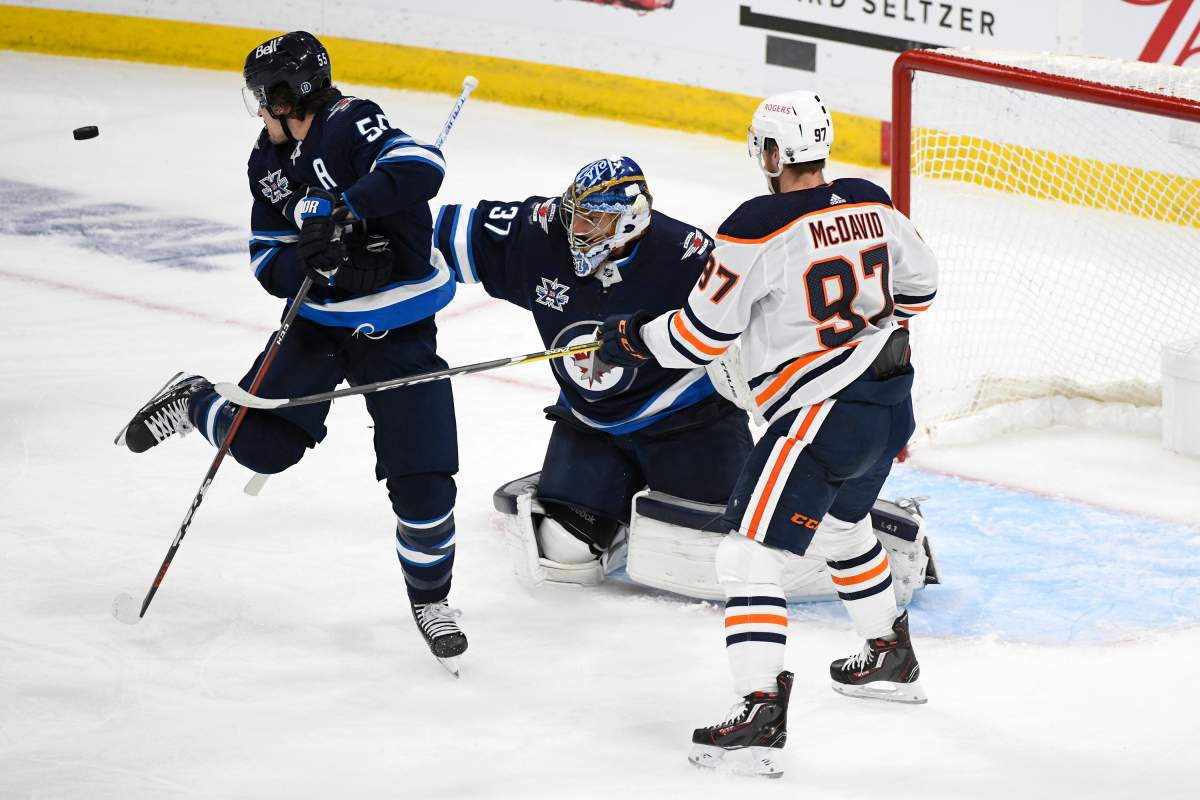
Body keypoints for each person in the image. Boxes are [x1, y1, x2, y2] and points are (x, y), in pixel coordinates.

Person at [598, 91, 939, 777]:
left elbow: (700, 334)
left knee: (747, 552)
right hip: (890, 400)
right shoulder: (869, 200)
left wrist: (629, 339)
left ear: (774, 154)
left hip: (823, 411)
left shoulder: (756, 223)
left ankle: (760, 709)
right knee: (843, 528)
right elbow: (922, 289)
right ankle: (889, 656)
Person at [115, 32, 467, 674]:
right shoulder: (267, 164)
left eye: (262, 97)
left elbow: (422, 168)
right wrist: (317, 264)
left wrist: (343, 209)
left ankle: (432, 601)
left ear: (288, 95)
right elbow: (266, 257)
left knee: (425, 479)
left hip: (401, 331)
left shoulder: (349, 121)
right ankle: (195, 399)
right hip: (318, 328)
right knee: (264, 450)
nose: (257, 112)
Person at [433, 157, 752, 582]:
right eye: (575, 216)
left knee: (718, 556)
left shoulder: (690, 257)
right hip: (591, 425)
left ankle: (651, 488)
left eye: (593, 220)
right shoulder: (542, 232)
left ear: (628, 222)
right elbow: (444, 233)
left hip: (690, 423)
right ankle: (613, 500)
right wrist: (367, 223)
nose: (576, 231)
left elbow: (749, 336)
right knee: (562, 553)